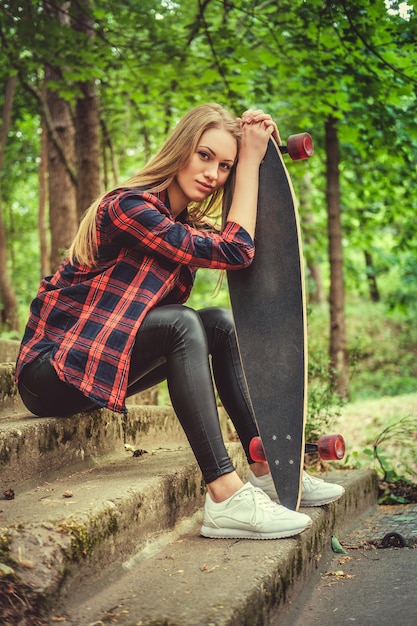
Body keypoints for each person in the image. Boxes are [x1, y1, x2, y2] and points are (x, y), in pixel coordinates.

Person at [15, 103, 344, 541]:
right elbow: (235, 250)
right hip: (50, 374)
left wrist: (260, 155)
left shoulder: (182, 222)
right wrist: (248, 160)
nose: (213, 173)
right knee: (182, 324)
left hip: (102, 367)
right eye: (205, 155)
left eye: (225, 166)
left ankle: (268, 471)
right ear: (180, 148)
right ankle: (225, 497)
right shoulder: (128, 208)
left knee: (220, 323)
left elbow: (247, 240)